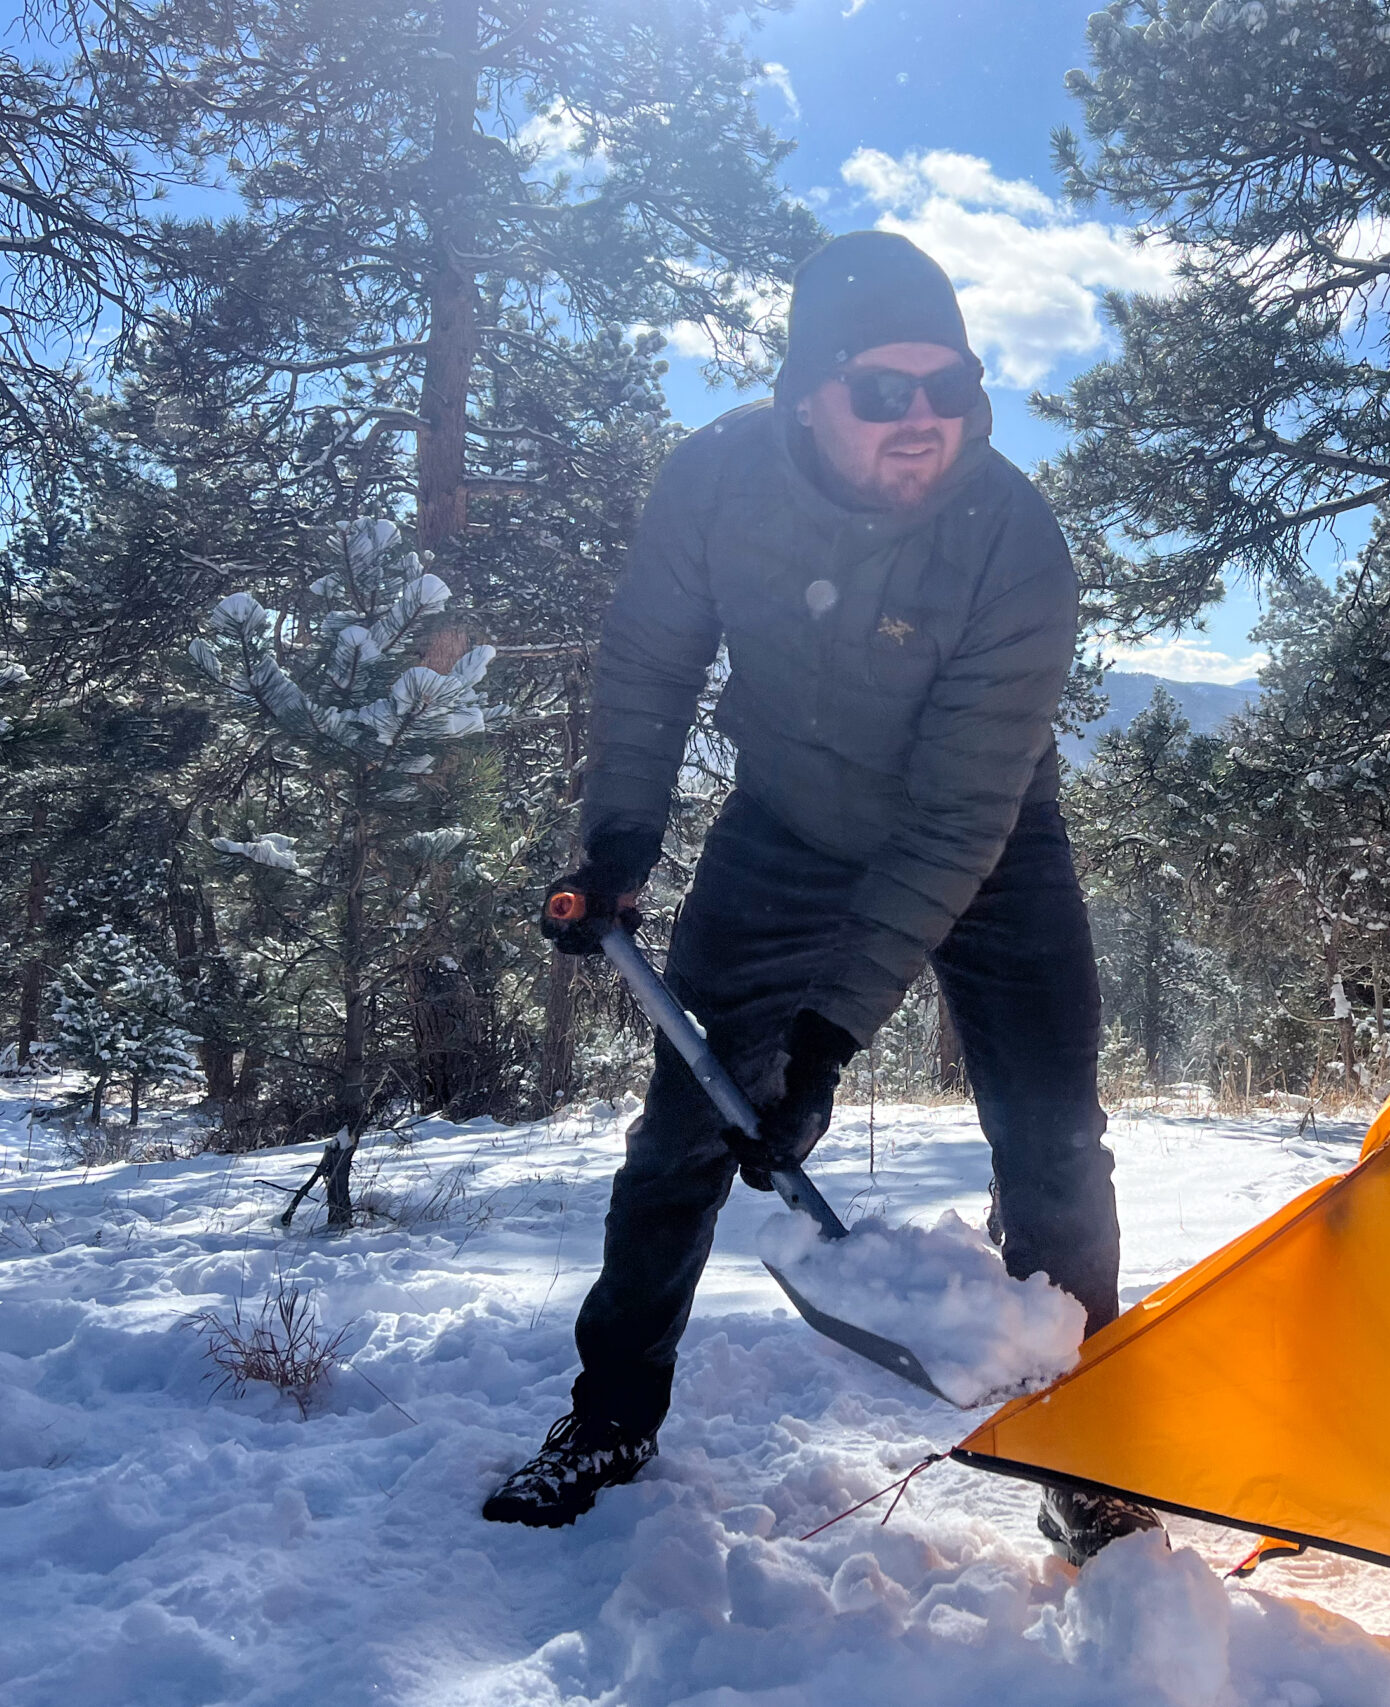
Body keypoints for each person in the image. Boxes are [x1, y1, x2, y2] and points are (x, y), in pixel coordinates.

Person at [481, 231, 1160, 1565]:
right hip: (787, 827)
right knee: (683, 1132)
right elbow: (650, 662)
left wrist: (824, 1040)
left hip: (991, 845)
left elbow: (959, 818)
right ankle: (609, 1418)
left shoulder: (1015, 543)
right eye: (880, 390)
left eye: (949, 387)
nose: (923, 421)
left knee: (1054, 1153)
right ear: (806, 394)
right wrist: (620, 837)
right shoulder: (717, 484)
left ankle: (1084, 1459)